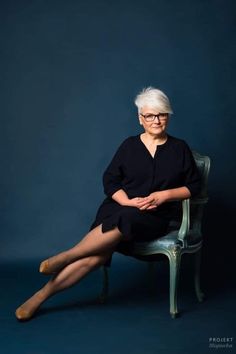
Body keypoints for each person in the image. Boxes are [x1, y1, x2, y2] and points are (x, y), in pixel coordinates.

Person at [15, 87, 200, 321]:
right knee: (97, 257)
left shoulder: (179, 148)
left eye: (161, 114)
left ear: (168, 116)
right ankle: (39, 297)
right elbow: (110, 180)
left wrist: (163, 196)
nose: (156, 120)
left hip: (154, 216)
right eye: (150, 115)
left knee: (123, 223)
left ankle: (67, 256)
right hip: (121, 207)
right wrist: (127, 201)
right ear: (140, 118)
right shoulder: (129, 146)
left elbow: (193, 186)